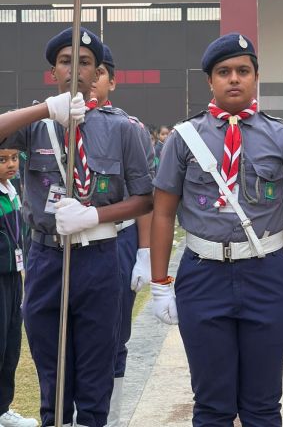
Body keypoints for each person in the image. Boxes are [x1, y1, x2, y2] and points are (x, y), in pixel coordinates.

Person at [151, 32, 283, 427]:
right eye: (224, 71)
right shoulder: (183, 138)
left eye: (243, 71)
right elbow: (162, 213)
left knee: (263, 404)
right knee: (212, 405)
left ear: (255, 77)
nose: (234, 79)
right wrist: (159, 284)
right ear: (209, 80)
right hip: (203, 275)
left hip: (267, 275)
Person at [0, 28, 153, 427]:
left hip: (99, 258)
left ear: (98, 72)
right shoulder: (36, 124)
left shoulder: (123, 129)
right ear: (53, 72)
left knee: (95, 372)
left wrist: (96, 216)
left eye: (84, 63)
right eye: (65, 62)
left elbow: (145, 198)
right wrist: (43, 111)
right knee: (52, 374)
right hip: (46, 258)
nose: (74, 70)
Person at [90, 44, 154, 427]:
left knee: (114, 334)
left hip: (117, 239)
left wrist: (144, 252)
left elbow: (144, 195)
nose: (89, 79)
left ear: (111, 82)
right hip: (64, 245)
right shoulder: (51, 125)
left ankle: (110, 418)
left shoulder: (130, 130)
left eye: (98, 72)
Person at [0, 149, 38, 427]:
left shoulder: (13, 191)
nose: (11, 164)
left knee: (11, 344)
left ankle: (3, 408)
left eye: (14, 158)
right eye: (2, 160)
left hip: (13, 276)